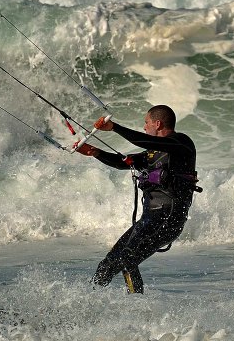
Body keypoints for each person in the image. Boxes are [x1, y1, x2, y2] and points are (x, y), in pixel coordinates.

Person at [75, 105, 199, 293]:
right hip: (150, 219)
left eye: (146, 123)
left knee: (127, 258)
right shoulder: (152, 154)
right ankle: (86, 304)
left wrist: (114, 128)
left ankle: (137, 308)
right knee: (108, 263)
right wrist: (95, 152)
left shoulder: (181, 143)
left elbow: (144, 140)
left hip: (168, 218)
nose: (144, 127)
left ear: (157, 124)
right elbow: (122, 162)